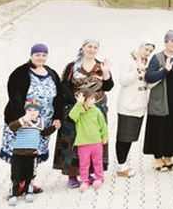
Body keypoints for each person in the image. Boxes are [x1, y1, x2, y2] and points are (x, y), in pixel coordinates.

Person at [1, 43, 64, 194]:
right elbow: (14, 95)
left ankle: (30, 181)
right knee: (20, 153)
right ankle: (17, 183)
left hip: (42, 123)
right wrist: (22, 117)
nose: (40, 58)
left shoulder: (52, 73)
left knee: (33, 153)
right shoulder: (21, 73)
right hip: (23, 121)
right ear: (31, 55)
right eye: (37, 55)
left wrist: (57, 117)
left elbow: (59, 97)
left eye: (43, 55)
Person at [54, 37, 114, 188]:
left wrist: (106, 73)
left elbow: (108, 87)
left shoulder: (101, 66)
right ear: (82, 47)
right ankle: (72, 174)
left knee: (94, 139)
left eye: (95, 47)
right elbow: (64, 86)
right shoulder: (73, 66)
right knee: (73, 140)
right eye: (89, 46)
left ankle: (91, 172)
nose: (92, 49)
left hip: (96, 108)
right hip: (75, 108)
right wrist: (78, 103)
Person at [144, 30, 173, 172]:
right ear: (166, 42)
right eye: (172, 41)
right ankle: (158, 158)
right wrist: (164, 71)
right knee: (160, 128)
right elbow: (149, 77)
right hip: (161, 99)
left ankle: (169, 157)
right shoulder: (157, 58)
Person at [115, 38, 155, 177]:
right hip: (128, 105)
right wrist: (138, 69)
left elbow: (147, 84)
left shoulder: (146, 63)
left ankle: (124, 163)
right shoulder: (128, 61)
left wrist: (160, 77)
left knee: (131, 136)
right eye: (146, 49)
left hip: (140, 105)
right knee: (123, 136)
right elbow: (123, 81)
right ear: (139, 47)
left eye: (150, 51)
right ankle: (121, 165)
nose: (148, 53)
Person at [7, 99, 57, 205]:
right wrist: (22, 120)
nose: (32, 112)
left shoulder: (40, 122)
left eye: (35, 110)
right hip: (18, 154)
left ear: (39, 112)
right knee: (16, 174)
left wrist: (54, 127)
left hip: (32, 154)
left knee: (30, 174)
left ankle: (28, 191)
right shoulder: (21, 121)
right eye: (29, 110)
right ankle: (13, 193)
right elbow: (12, 127)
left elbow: (44, 133)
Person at [69, 90, 109, 192]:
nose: (94, 100)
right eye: (91, 98)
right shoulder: (79, 112)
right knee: (84, 164)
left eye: (94, 98)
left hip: (96, 142)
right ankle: (84, 181)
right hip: (83, 143)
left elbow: (103, 125)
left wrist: (105, 137)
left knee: (97, 162)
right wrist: (79, 104)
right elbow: (72, 116)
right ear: (84, 100)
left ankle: (99, 178)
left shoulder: (97, 111)